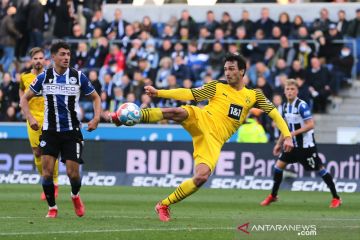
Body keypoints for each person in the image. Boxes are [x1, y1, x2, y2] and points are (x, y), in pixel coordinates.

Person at [107, 53, 293, 222]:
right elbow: (190, 94)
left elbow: (275, 114)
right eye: (226, 69)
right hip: (201, 118)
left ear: (242, 71)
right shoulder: (217, 86)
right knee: (176, 112)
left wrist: (287, 136)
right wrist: (159, 92)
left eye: (231, 69)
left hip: (214, 140)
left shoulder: (253, 95)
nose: (227, 73)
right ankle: (129, 116)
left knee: (201, 177)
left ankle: (163, 204)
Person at [20, 42, 101, 218]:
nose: (66, 57)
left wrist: (96, 118)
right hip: (49, 132)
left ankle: (75, 195)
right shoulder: (44, 77)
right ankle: (52, 208)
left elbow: (96, 97)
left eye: (68, 54)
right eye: (62, 54)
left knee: (73, 174)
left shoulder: (78, 77)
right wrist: (31, 118)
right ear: (54, 57)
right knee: (47, 172)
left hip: (72, 132)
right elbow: (24, 99)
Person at [260, 79, 341, 208]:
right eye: (288, 89)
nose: (290, 92)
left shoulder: (302, 105)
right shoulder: (286, 106)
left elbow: (310, 125)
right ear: (284, 91)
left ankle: (336, 198)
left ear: (297, 91)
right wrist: (278, 143)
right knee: (278, 167)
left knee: (320, 169)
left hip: (306, 146)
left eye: (292, 89)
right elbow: (285, 126)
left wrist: (291, 134)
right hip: (291, 146)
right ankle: (273, 195)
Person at [19, 47, 60, 200]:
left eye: (41, 58)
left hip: (49, 118)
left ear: (45, 60)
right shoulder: (24, 77)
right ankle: (45, 181)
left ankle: (54, 183)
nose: (38, 61)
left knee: (50, 152)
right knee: (37, 152)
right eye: (35, 58)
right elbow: (22, 93)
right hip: (32, 118)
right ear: (31, 60)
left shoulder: (51, 76)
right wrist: (26, 112)